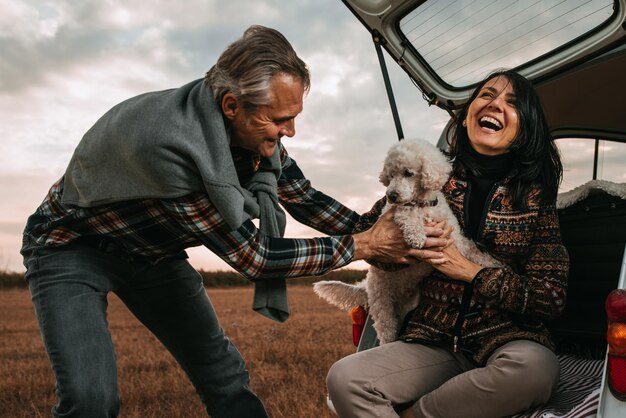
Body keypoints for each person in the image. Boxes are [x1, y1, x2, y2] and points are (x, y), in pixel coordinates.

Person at [20, 25, 438, 418]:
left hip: (152, 253)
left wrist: (381, 223)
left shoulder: (255, 135)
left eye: (294, 116)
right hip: (69, 248)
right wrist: (365, 246)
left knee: (223, 376)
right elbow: (254, 257)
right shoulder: (170, 150)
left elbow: (305, 199)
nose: (290, 131)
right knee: (90, 399)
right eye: (279, 119)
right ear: (231, 105)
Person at [326, 69, 569, 418]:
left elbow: (551, 297)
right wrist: (403, 251)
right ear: (469, 113)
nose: (495, 104)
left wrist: (469, 270)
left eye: (511, 103)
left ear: (524, 126)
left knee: (536, 370)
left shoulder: (536, 200)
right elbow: (371, 236)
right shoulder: (424, 173)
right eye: (486, 95)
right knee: (345, 378)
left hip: (505, 340)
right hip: (433, 341)